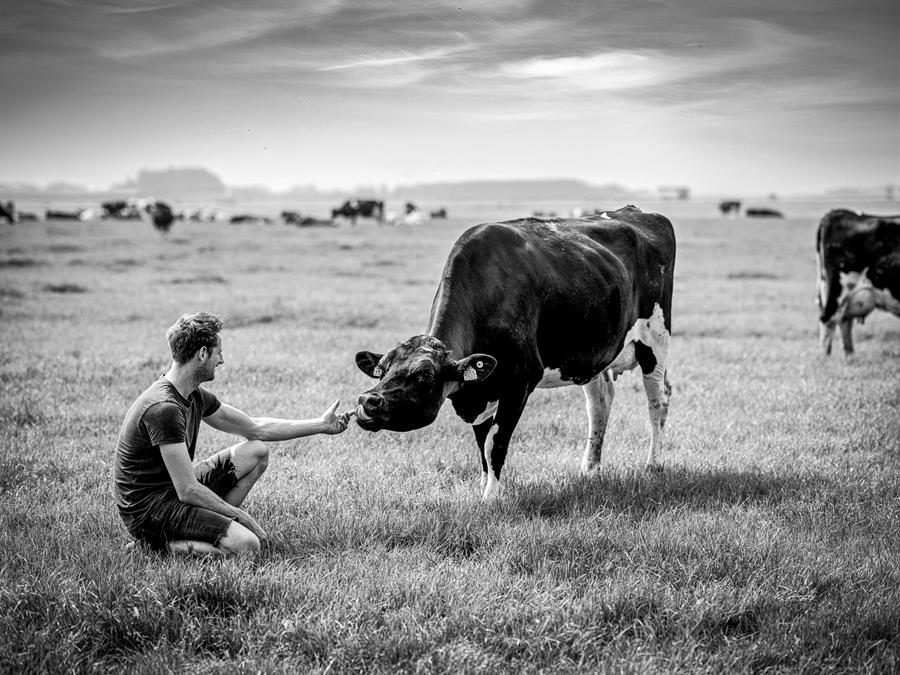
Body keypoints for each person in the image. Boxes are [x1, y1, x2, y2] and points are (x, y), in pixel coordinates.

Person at [113, 312, 350, 557]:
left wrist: (321, 425)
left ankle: (213, 528)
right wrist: (240, 516)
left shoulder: (192, 395)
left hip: (171, 493)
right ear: (202, 353)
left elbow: (255, 428)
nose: (222, 360)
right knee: (248, 545)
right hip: (149, 511)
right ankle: (155, 546)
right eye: (219, 352)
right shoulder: (164, 409)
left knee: (256, 452)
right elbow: (187, 490)